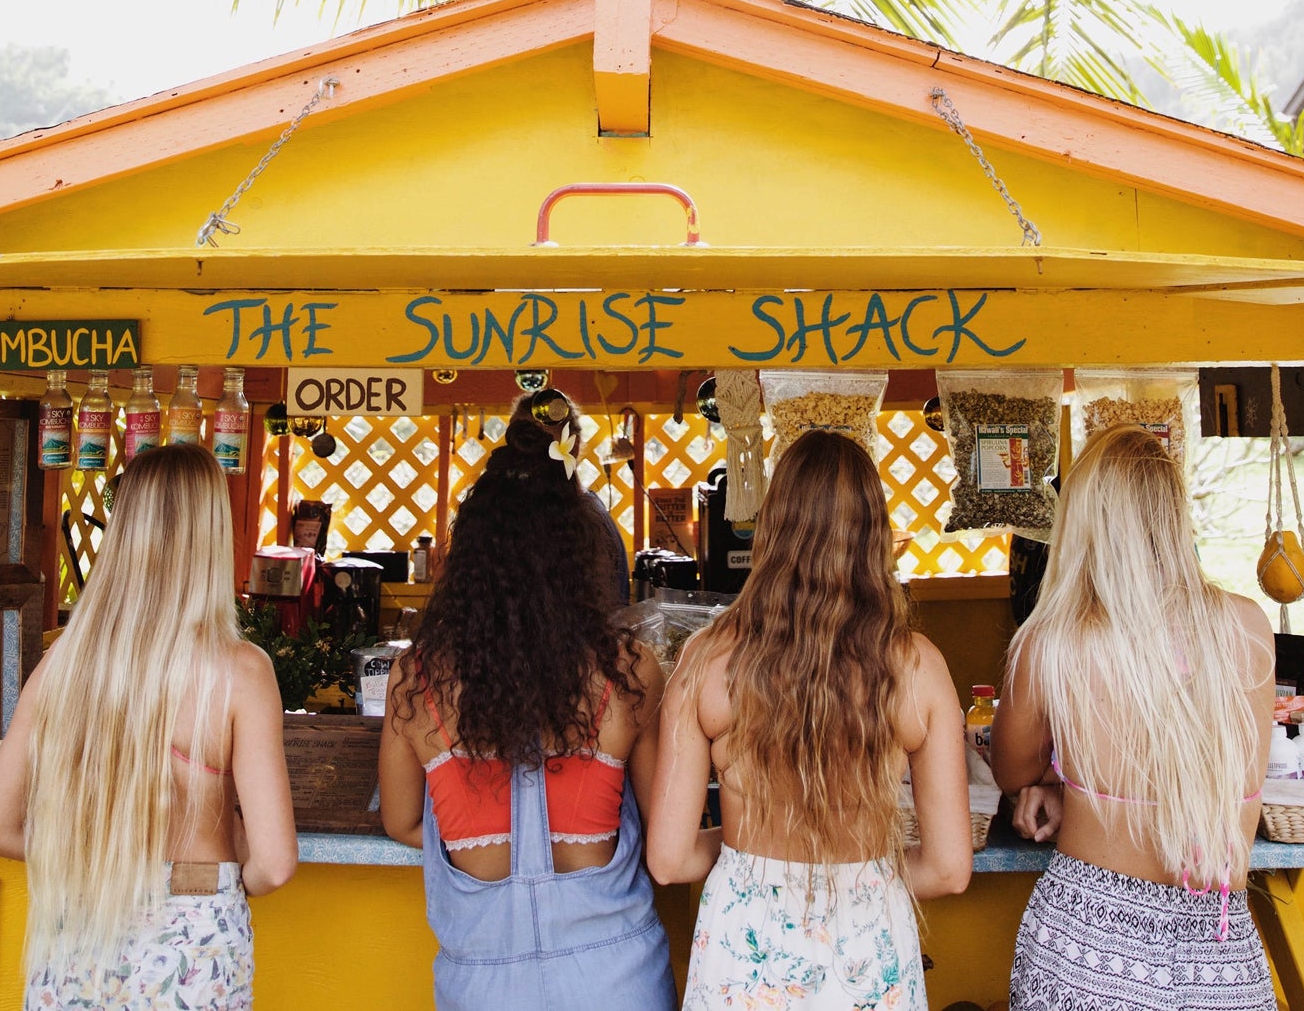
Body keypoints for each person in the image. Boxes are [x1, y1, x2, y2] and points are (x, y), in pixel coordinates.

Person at [648, 429, 972, 1011]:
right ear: (876, 535)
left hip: (743, 958)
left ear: (771, 528)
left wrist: (745, 854)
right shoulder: (918, 666)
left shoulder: (706, 661)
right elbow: (949, 870)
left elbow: (669, 861)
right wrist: (865, 877)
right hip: (868, 956)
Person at [0, 443, 297, 1010]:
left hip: (79, 927)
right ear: (212, 535)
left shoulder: (65, 661)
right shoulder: (241, 671)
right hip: (194, 943)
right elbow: (272, 864)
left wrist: (95, 856)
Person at [378, 415, 674, 1011]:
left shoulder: (418, 680)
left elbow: (403, 822)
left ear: (471, 558)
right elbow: (664, 832)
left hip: (482, 985)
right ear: (577, 554)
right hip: (616, 977)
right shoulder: (630, 671)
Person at [990, 424, 1277, 1011]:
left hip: (1088, 944)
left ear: (1083, 522)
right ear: (1173, 516)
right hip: (1217, 947)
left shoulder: (1053, 643)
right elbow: (1235, 789)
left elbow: (1009, 769)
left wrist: (1057, 786)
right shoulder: (1246, 628)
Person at [510, 387, 632, 604]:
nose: (528, 456)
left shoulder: (592, 524)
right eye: (521, 442)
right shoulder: (505, 517)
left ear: (573, 447)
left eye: (541, 445)